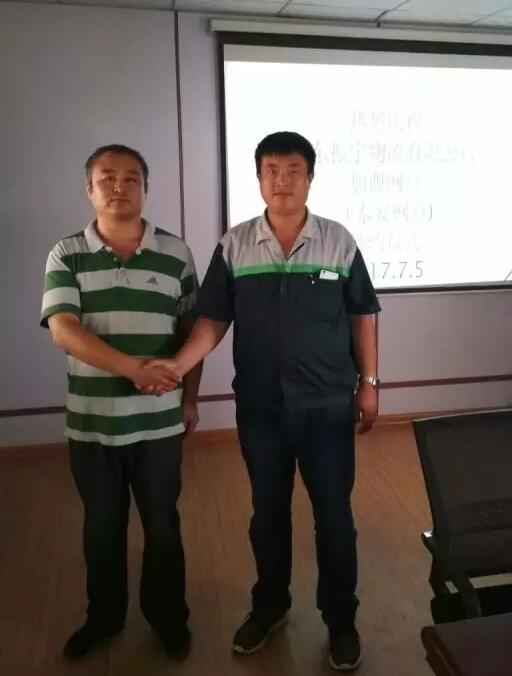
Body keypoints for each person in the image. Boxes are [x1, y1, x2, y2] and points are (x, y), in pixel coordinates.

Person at [151, 131, 380, 670]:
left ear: (310, 178)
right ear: (258, 179)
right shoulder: (234, 245)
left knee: (334, 516)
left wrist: (369, 382)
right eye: (272, 170)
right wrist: (178, 367)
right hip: (261, 408)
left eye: (294, 170)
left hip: (327, 406)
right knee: (268, 513)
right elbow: (212, 320)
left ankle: (341, 621)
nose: (283, 180)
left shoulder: (339, 242)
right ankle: (270, 606)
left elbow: (362, 314)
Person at [40, 144, 201, 661]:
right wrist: (134, 369)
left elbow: (191, 332)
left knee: (163, 527)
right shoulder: (67, 253)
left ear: (145, 188)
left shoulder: (176, 253)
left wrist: (190, 398)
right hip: (93, 425)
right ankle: (104, 619)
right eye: (106, 177)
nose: (119, 186)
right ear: (89, 189)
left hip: (159, 424)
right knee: (102, 528)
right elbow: (64, 330)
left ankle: (168, 619)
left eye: (131, 178)